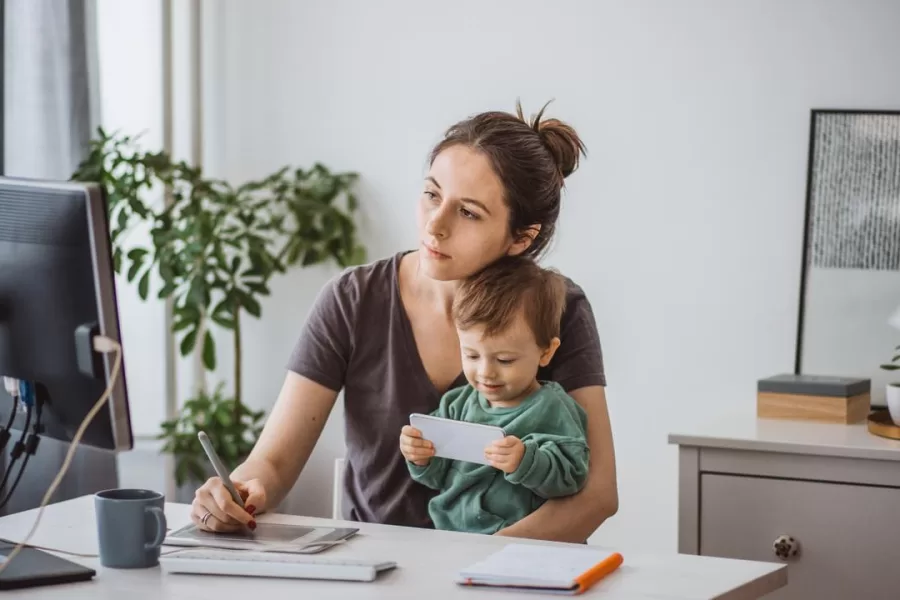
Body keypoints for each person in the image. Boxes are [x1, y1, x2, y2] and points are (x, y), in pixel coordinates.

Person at [190, 100, 618, 543]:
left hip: (509, 575)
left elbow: (597, 496)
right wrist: (240, 490)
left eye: (468, 212)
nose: (435, 226)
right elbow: (273, 464)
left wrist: (479, 563)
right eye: (432, 194)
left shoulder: (559, 308)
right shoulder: (353, 299)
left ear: (520, 238)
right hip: (375, 573)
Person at [401, 255, 590, 534]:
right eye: (472, 355)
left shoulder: (552, 407)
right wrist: (420, 456)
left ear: (546, 352)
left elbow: (573, 475)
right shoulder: (456, 404)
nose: (486, 372)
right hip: (449, 536)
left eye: (504, 360)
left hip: (518, 543)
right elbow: (437, 477)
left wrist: (526, 460)